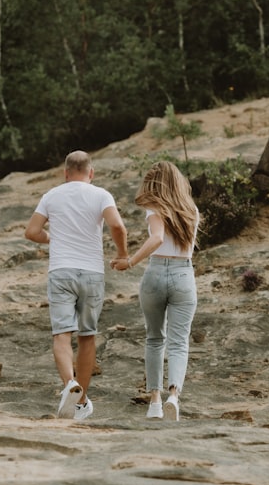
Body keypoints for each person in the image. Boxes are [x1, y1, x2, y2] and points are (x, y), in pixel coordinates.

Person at [25, 150, 129, 420]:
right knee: (87, 336)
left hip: (61, 271)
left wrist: (50, 238)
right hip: (92, 273)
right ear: (91, 173)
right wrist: (122, 254)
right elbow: (117, 226)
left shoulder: (52, 195)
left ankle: (69, 383)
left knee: (61, 334)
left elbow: (31, 231)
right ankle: (81, 400)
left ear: (66, 172)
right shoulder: (101, 195)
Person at [112, 161, 198, 421]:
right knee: (179, 340)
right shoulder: (191, 209)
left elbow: (157, 238)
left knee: (154, 338)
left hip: (156, 272)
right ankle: (174, 396)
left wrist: (130, 261)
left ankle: (155, 402)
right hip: (184, 274)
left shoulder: (154, 209)